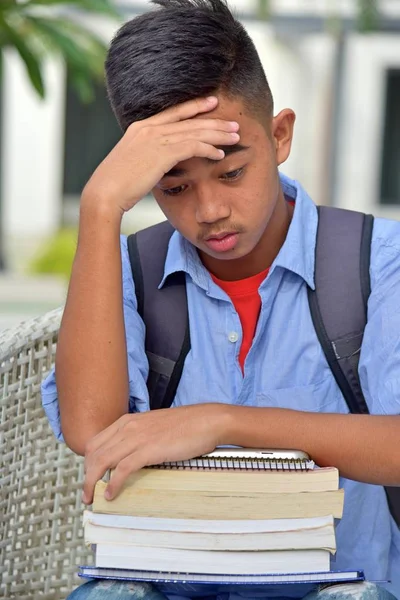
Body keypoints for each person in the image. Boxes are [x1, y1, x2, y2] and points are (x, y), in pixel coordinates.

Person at [41, 1, 400, 599]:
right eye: (174, 186)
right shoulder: (128, 267)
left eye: (231, 173)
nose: (209, 212)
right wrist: (99, 208)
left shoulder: (378, 260)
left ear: (280, 135)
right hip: (163, 586)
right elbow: (92, 430)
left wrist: (222, 423)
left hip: (339, 586)